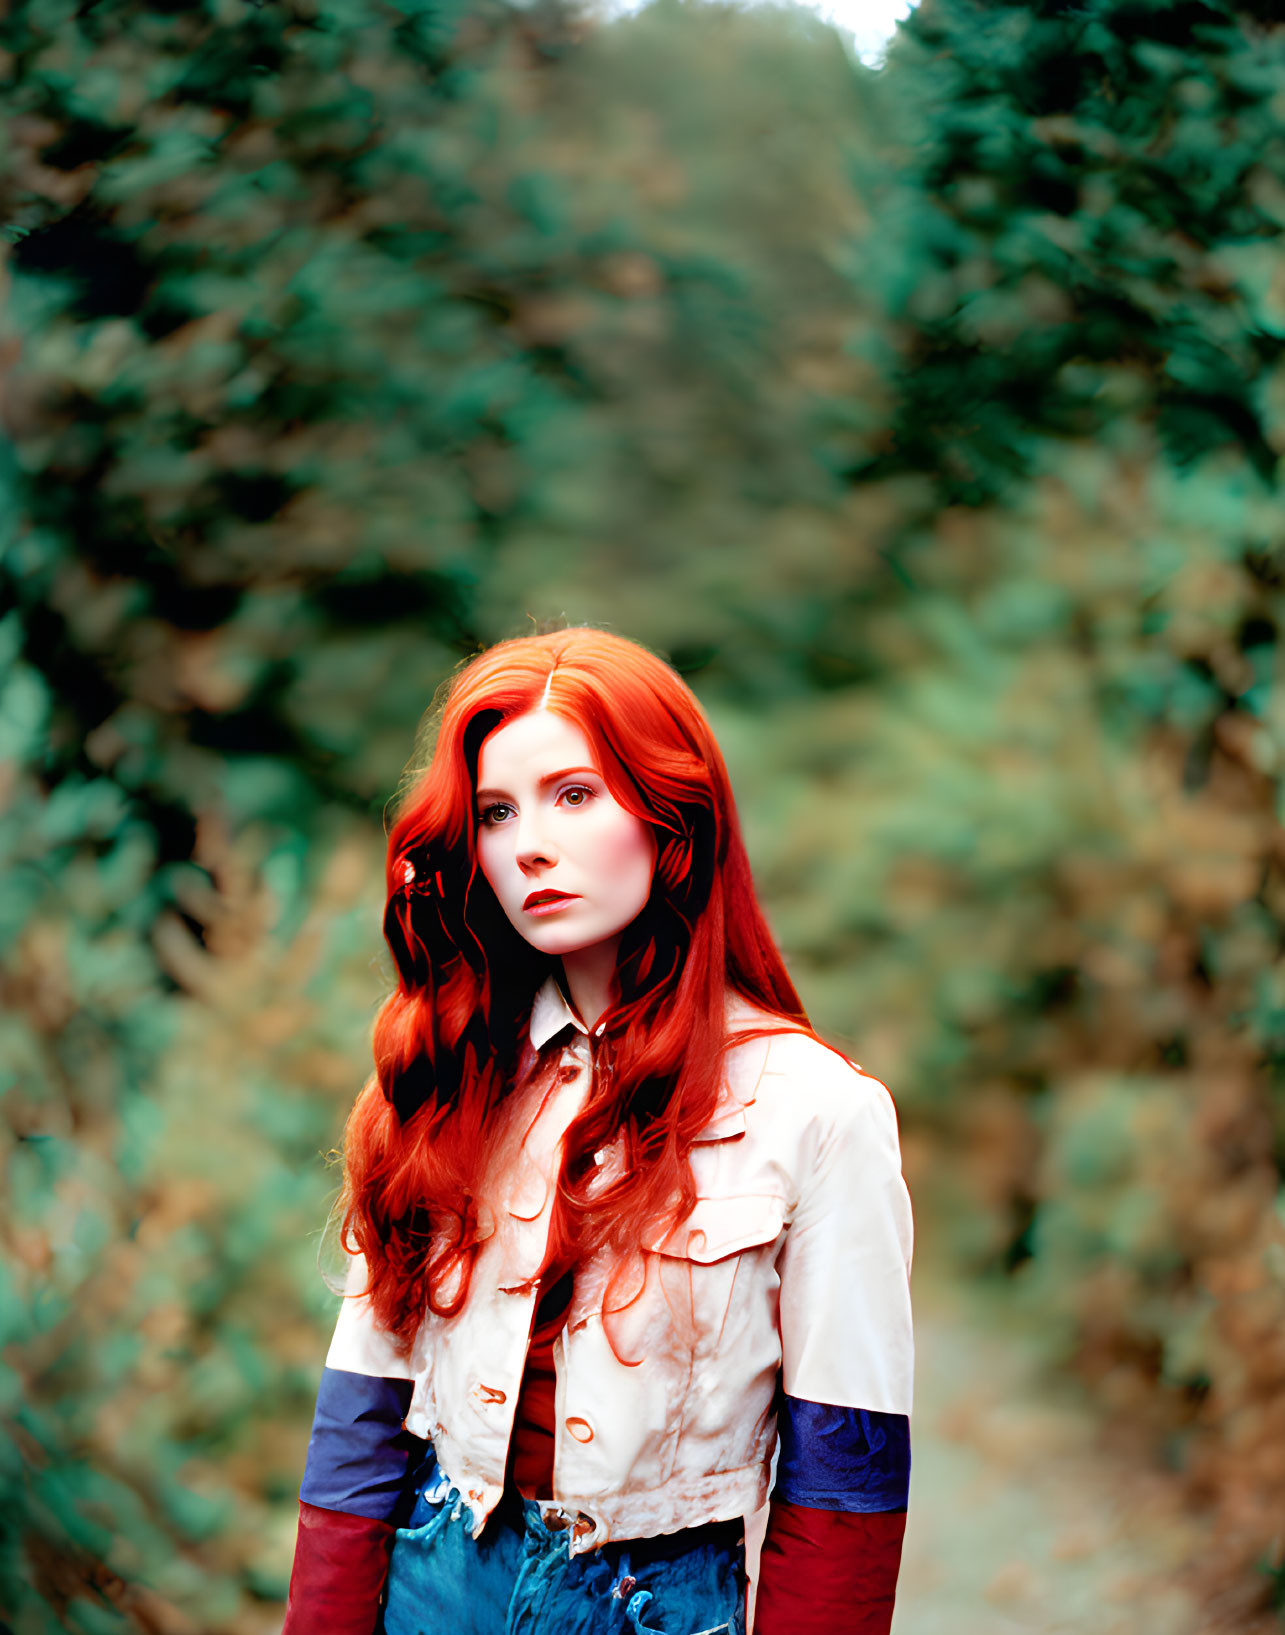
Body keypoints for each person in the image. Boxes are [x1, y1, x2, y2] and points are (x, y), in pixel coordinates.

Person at [282, 625, 914, 1635]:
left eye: (573, 795)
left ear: (672, 817)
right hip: (431, 1582)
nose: (530, 842)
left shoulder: (819, 1110)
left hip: (655, 1607)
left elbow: (846, 1477)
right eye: (496, 812)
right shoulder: (449, 1078)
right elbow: (361, 1413)